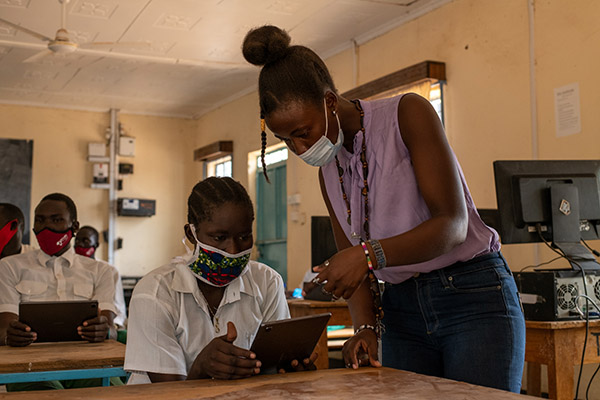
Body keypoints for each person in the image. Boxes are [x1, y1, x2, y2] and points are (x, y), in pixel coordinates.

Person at [242, 25, 525, 392]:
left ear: (329, 101)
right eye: (286, 140)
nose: (298, 148)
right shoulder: (328, 169)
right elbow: (352, 265)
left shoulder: (407, 113)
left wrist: (367, 255)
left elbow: (452, 225)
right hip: (402, 310)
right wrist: (365, 327)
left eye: (303, 132)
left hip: (471, 297)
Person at [124, 177, 315, 383]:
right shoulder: (155, 292)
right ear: (192, 234)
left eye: (243, 237)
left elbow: (272, 367)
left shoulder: (267, 282)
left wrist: (289, 370)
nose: (233, 251)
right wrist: (201, 368)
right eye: (219, 238)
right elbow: (169, 393)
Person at [0, 193, 122, 390]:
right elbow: (4, 328)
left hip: (89, 366)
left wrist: (105, 331)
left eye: (56, 220)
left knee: (115, 394)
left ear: (74, 226)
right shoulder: (9, 267)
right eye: (40, 220)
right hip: (30, 367)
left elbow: (110, 329)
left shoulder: (102, 271)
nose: (46, 227)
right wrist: (9, 336)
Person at [75, 225, 127, 329]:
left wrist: (111, 326)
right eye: (77, 240)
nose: (80, 244)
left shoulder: (109, 270)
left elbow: (119, 308)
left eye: (86, 241)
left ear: (96, 245)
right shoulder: (69, 269)